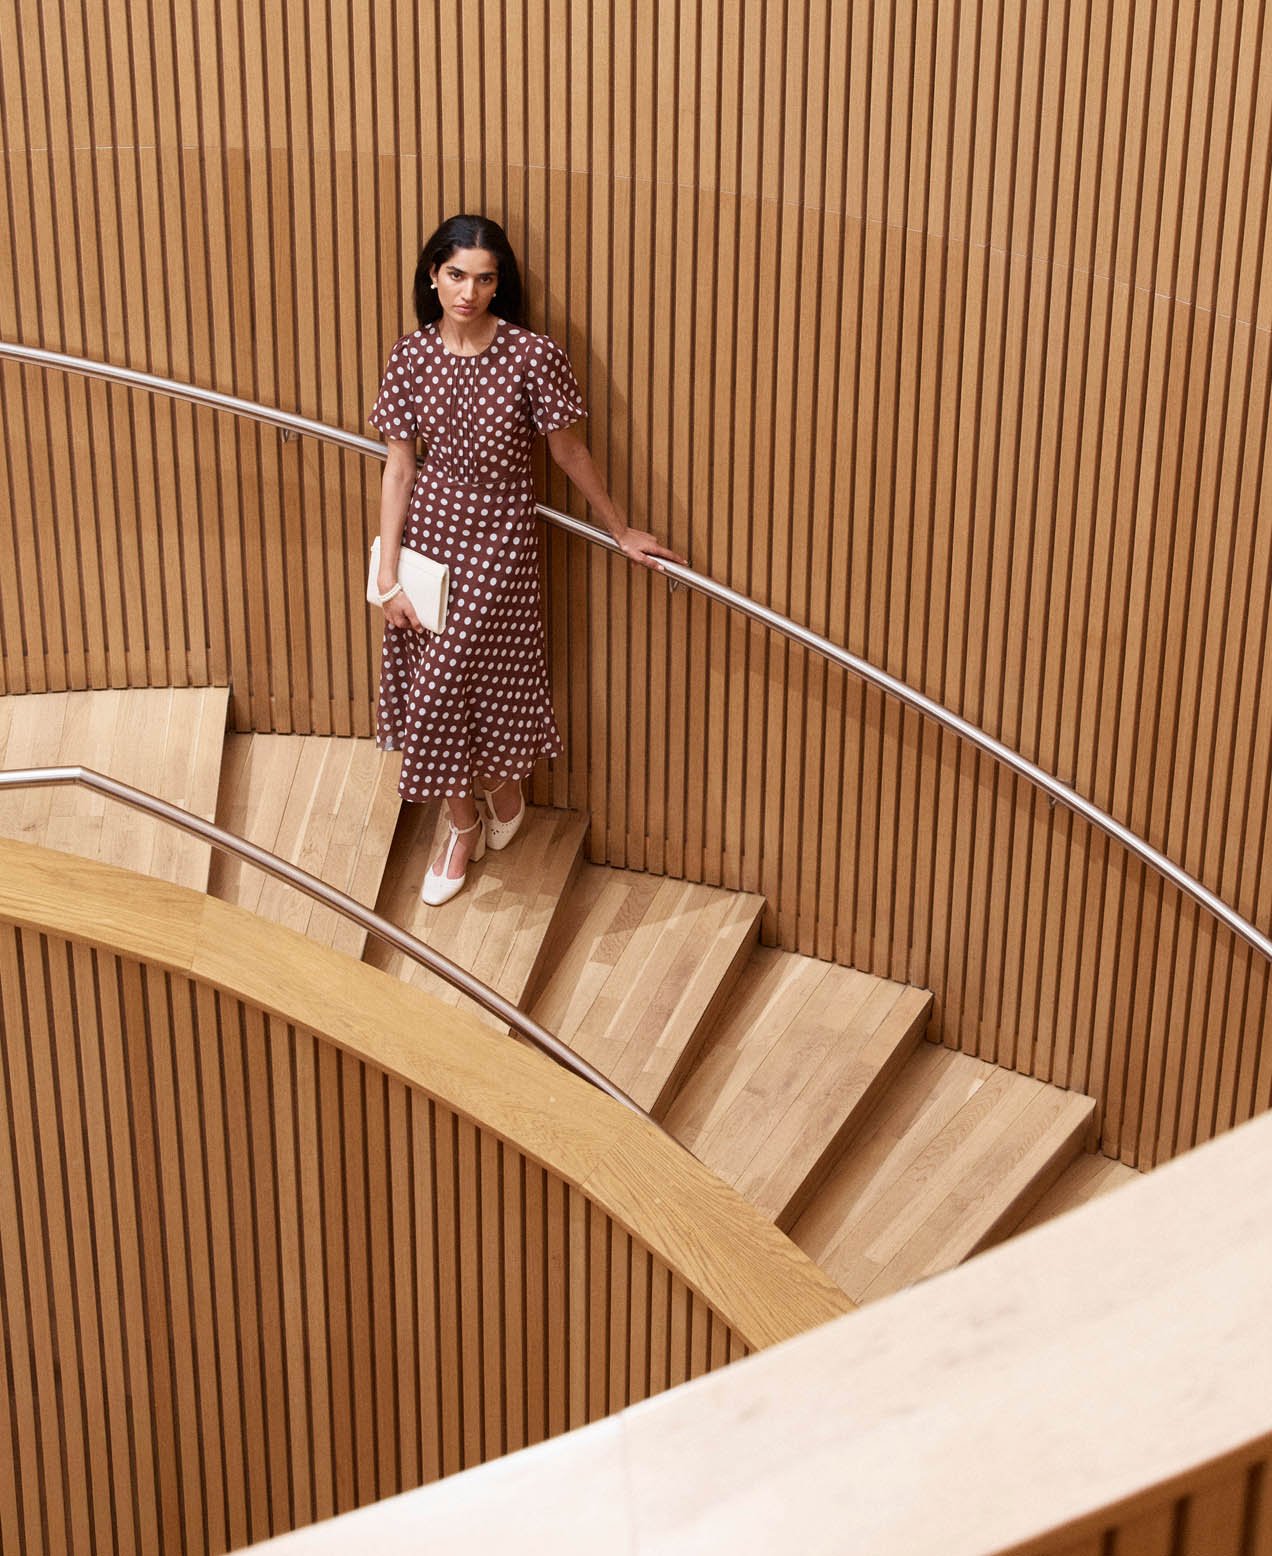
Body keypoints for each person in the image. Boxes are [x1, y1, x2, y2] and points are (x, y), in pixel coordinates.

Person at [368, 213, 684, 906]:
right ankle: (462, 823)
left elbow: (569, 450)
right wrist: (387, 575)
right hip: (428, 539)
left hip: (501, 541)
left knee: (462, 682)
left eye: (484, 278)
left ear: (498, 283)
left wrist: (620, 527)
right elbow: (398, 469)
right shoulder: (410, 354)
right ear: (432, 275)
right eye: (456, 275)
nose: (468, 291)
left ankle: (500, 791)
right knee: (433, 682)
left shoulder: (531, 355)